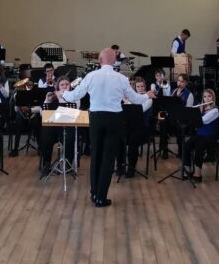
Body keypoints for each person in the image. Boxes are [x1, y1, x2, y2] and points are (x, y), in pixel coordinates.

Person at [58, 47, 153, 207]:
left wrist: (63, 94)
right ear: (115, 61)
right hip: (114, 119)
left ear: (100, 60)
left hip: (96, 118)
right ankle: (101, 197)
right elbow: (135, 99)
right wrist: (147, 95)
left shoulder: (91, 76)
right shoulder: (121, 78)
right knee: (108, 158)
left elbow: (75, 95)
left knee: (96, 156)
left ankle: (94, 193)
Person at [181, 88, 219, 182]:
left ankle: (198, 172)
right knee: (187, 145)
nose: (207, 98)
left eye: (209, 96)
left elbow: (203, 121)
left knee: (199, 146)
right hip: (200, 135)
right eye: (205, 97)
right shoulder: (201, 108)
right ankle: (188, 169)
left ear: (213, 98)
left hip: (210, 136)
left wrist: (195, 113)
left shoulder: (215, 110)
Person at [39, 76, 76, 173]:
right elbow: (43, 114)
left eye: (67, 84)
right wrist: (47, 100)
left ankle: (68, 164)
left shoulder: (75, 96)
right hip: (53, 127)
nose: (64, 86)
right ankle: (46, 164)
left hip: (68, 126)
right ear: (58, 87)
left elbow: (75, 112)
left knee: (70, 138)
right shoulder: (52, 97)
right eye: (62, 85)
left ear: (70, 86)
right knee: (46, 136)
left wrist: (62, 99)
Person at [124, 76, 154, 178]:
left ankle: (131, 168)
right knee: (120, 137)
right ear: (135, 87)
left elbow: (140, 110)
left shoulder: (149, 99)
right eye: (138, 87)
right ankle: (120, 166)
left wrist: (126, 100)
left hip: (144, 127)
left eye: (142, 86)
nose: (140, 88)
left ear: (145, 87)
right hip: (132, 126)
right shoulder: (133, 97)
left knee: (133, 140)